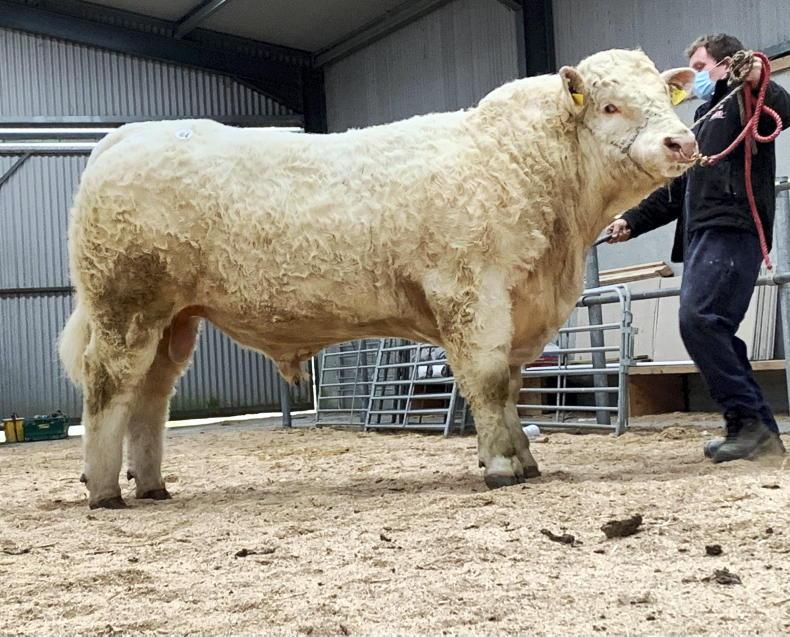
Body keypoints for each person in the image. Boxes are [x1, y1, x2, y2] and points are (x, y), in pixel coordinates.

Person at [606, 34, 790, 462]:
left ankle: (751, 426)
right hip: (704, 235)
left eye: (701, 67)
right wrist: (631, 221)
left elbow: (784, 110)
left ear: (726, 64)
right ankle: (753, 428)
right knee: (711, 326)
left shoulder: (743, 98)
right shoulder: (703, 118)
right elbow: (678, 188)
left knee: (700, 320)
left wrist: (757, 77)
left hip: (732, 227)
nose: (694, 77)